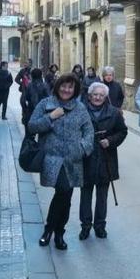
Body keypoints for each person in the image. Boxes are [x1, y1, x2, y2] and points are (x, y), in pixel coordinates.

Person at [29, 73, 94, 251]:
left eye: (70, 87)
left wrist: (82, 148)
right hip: (52, 159)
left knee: (66, 195)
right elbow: (32, 126)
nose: (66, 90)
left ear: (75, 90)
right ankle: (52, 230)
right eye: (63, 86)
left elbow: (89, 132)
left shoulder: (80, 108)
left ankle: (56, 232)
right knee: (63, 191)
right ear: (58, 87)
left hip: (73, 160)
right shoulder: (45, 104)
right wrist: (51, 117)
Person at [79, 82, 128, 241]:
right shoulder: (81, 111)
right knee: (85, 195)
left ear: (105, 97)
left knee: (102, 196)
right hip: (86, 158)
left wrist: (110, 140)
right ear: (89, 95)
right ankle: (85, 226)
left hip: (106, 160)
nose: (98, 97)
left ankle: (100, 226)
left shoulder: (114, 113)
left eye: (101, 95)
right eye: (95, 94)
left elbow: (122, 131)